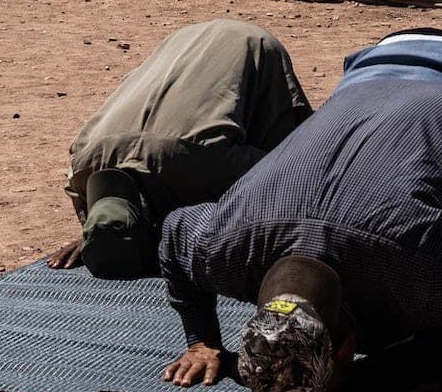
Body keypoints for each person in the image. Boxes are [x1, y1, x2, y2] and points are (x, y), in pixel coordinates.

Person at [157, 29, 442, 392]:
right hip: (362, 77)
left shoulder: (419, 268)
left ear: (346, 349)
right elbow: (175, 229)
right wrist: (202, 341)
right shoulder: (223, 249)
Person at [48, 19, 311, 278]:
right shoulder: (82, 164)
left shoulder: (207, 161)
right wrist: (99, 232)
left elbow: (286, 174)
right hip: (181, 42)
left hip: (251, 45)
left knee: (288, 174)